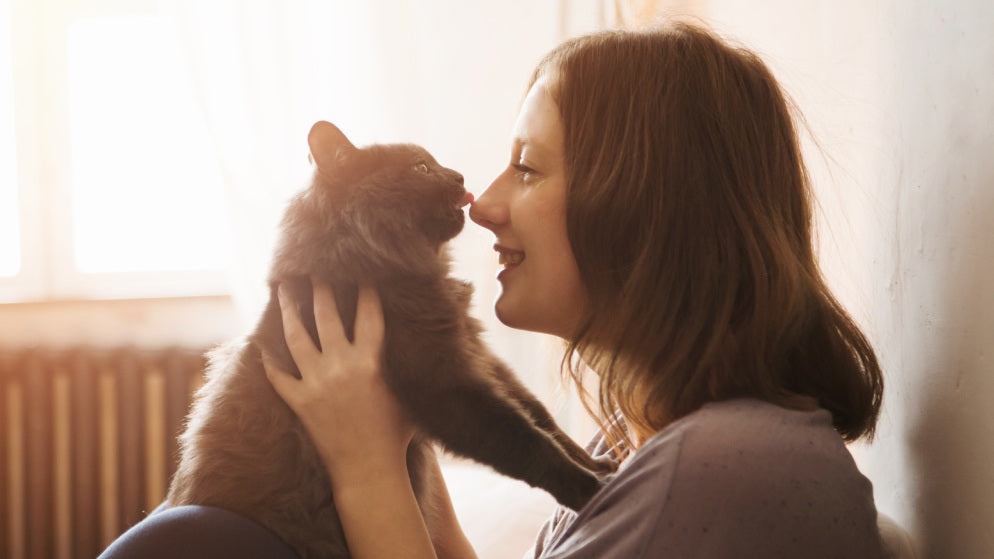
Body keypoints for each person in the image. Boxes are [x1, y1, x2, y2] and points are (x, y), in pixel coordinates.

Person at [263, 22, 887, 558]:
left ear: (643, 207)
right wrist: (401, 440)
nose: (481, 206)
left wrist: (366, 470)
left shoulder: (709, 470)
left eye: (527, 168)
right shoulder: (639, 439)